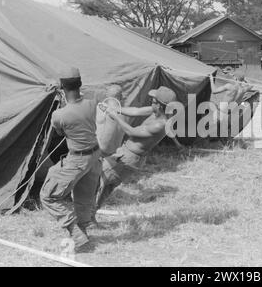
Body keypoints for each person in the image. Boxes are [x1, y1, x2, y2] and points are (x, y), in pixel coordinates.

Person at [40, 67, 101, 252]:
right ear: (80, 84)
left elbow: (59, 132)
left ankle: (75, 232)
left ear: (63, 87)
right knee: (83, 199)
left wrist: (59, 88)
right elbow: (83, 92)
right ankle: (82, 238)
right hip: (95, 157)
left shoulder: (59, 115)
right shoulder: (92, 103)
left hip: (77, 160)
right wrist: (63, 85)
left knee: (48, 196)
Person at [94, 86, 177, 212]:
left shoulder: (160, 125)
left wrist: (115, 115)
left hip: (128, 158)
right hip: (126, 154)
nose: (151, 102)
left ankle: (88, 214)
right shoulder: (156, 112)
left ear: (160, 106)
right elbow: (136, 111)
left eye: (153, 101)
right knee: (105, 184)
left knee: (100, 178)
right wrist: (115, 109)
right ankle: (90, 215)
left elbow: (131, 131)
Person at [96, 85, 125, 157]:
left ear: (106, 95)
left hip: (101, 151)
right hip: (115, 152)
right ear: (121, 97)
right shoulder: (124, 114)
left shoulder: (101, 107)